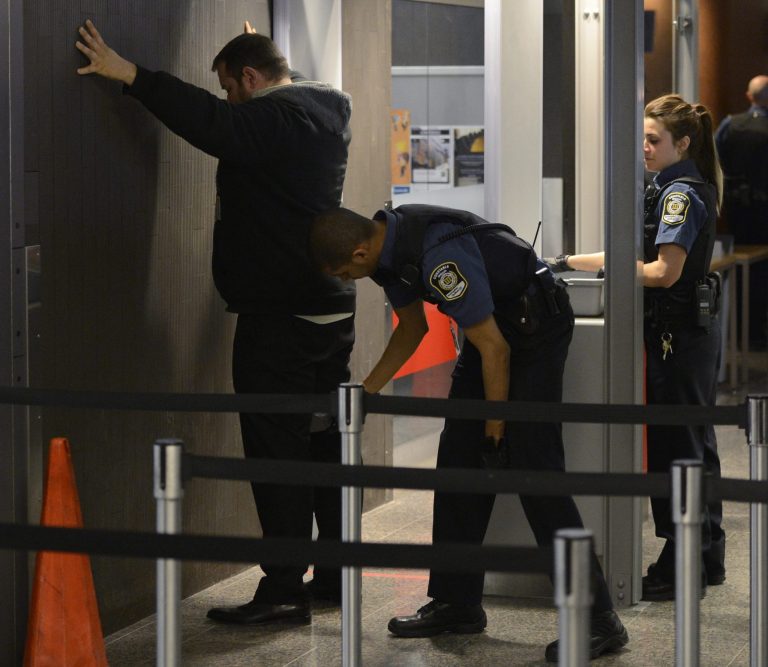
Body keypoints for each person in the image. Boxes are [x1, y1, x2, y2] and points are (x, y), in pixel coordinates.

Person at [76, 20, 355, 624]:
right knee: (322, 443)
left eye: (232, 85)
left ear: (252, 79)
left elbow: (213, 122)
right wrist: (257, 58)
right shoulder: (318, 113)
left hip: (281, 317)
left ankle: (283, 590)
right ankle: (333, 572)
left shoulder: (277, 119)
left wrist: (130, 75)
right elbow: (248, 108)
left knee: (276, 451)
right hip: (326, 310)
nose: (229, 97)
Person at [310, 205, 629, 662]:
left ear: (359, 253)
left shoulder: (438, 257)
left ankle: (598, 619)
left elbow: (495, 350)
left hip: (534, 330)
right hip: (494, 331)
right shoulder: (386, 254)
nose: (348, 279)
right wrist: (366, 392)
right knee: (457, 461)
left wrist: (495, 432)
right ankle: (456, 602)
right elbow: (413, 327)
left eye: (345, 273)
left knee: (535, 472)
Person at [550, 94, 726, 600]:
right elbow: (634, 253)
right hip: (685, 334)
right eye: (643, 138)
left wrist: (612, 272)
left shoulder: (679, 195)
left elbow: (661, 272)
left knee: (677, 450)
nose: (645, 148)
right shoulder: (671, 186)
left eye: (654, 140)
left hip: (678, 338)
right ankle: (705, 556)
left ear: (683, 143)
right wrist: (564, 260)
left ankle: (683, 563)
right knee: (695, 446)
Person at [715, 75, 768, 348]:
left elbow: (713, 158)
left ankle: (740, 331)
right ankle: (759, 331)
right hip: (764, 209)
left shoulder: (730, 124)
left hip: (737, 210)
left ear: (750, 97)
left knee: (739, 270)